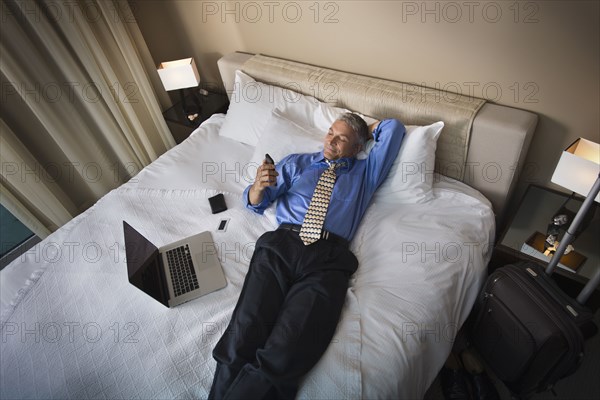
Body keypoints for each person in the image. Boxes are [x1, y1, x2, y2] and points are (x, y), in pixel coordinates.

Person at [209, 113, 405, 399]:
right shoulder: (296, 163)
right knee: (244, 332)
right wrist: (258, 188)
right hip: (282, 245)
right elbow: (256, 205)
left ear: (358, 146)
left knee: (288, 347)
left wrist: (364, 129)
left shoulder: (367, 172)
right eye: (330, 133)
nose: (331, 141)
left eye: (342, 138)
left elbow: (394, 128)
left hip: (327, 259)